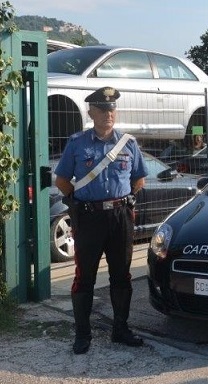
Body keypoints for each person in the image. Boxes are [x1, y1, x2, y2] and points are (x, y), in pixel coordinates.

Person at [55, 86, 149, 355]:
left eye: (112, 109)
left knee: (122, 274)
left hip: (120, 217)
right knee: (85, 276)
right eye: (103, 109)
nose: (109, 114)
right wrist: (81, 201)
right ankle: (83, 335)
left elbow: (138, 179)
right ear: (91, 112)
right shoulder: (77, 143)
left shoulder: (128, 144)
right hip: (89, 218)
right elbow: (62, 181)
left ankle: (121, 329)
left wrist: (124, 201)